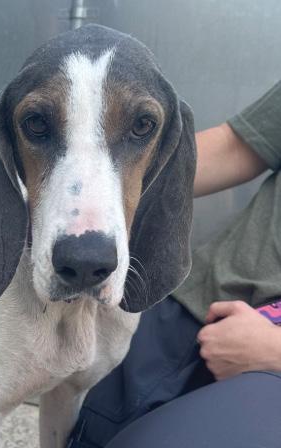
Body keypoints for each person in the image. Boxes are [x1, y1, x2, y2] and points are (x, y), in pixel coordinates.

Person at [68, 80, 281, 448]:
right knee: (90, 430)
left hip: (266, 363)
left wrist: (275, 351)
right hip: (196, 298)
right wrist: (86, 188)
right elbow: (235, 148)